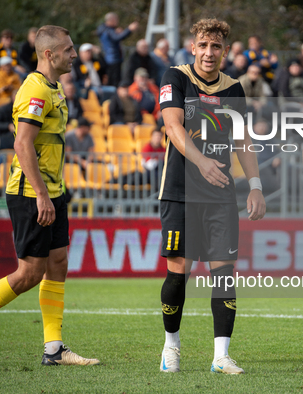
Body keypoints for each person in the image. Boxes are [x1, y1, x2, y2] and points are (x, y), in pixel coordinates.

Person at [0, 25, 99, 367]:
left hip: (52, 190)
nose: (74, 55)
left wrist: (52, 192)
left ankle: (53, 350)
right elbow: (22, 143)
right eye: (69, 50)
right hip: (30, 192)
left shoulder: (55, 89)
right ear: (49, 54)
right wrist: (41, 195)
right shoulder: (36, 90)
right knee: (29, 274)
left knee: (58, 264)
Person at [158, 18, 265, 375]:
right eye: (203, 45)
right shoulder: (175, 77)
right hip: (180, 192)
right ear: (193, 47)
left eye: (216, 47)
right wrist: (202, 162)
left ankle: (221, 356)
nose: (209, 53)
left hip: (220, 195)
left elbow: (241, 140)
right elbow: (173, 126)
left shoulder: (234, 88)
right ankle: (171, 347)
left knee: (224, 273)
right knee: (179, 274)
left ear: (225, 50)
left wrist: (255, 185)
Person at [97, 12, 139, 86]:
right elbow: (117, 38)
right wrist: (129, 29)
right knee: (114, 82)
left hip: (111, 59)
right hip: (113, 59)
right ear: (112, 20)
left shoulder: (105, 29)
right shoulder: (108, 30)